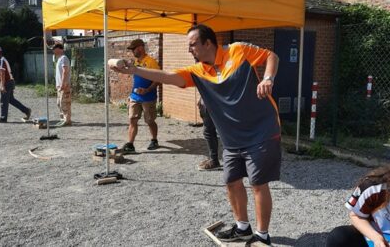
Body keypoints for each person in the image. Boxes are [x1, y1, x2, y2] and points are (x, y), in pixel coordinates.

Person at [111, 24, 280, 246]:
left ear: (207, 43)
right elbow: (169, 76)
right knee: (232, 182)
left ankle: (262, 235)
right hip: (232, 139)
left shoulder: (238, 50)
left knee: (258, 184)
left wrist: (268, 79)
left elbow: (271, 56)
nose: (190, 50)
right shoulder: (198, 71)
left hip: (261, 131)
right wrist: (133, 69)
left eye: (192, 45)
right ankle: (243, 229)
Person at [326, 166, 390, 247]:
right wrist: (376, 238)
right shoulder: (373, 186)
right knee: (339, 237)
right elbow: (356, 215)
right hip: (379, 234)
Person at [121, 39, 160, 153]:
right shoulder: (135, 62)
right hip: (135, 96)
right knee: (132, 120)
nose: (132, 51)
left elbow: (158, 79)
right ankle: (130, 144)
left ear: (140, 48)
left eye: (133, 49)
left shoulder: (151, 62)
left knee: (150, 121)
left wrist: (147, 89)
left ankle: (154, 140)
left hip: (148, 97)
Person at [0, 45, 31, 123]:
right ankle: (26, 110)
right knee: (11, 100)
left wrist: (2, 85)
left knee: (3, 100)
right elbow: (0, 73)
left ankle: (3, 118)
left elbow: (2, 73)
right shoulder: (0, 60)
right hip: (9, 82)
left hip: (7, 83)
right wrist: (1, 83)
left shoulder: (1, 60)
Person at [197, 97, 221, 171]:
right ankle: (213, 159)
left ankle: (214, 161)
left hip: (212, 102)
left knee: (209, 132)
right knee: (209, 131)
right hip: (210, 101)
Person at [52, 43, 71, 127]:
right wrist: (58, 84)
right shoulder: (59, 59)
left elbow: (65, 71)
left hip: (64, 85)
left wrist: (63, 83)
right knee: (59, 103)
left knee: (64, 103)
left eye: (54, 48)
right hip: (59, 85)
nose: (53, 50)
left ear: (60, 49)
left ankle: (67, 120)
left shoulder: (64, 58)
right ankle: (63, 118)